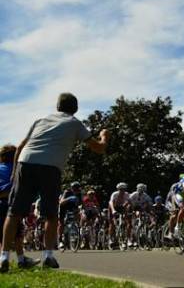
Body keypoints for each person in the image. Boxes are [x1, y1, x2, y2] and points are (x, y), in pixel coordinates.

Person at [2, 93, 108, 270]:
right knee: (51, 214)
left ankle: (3, 258)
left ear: (58, 107)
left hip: (25, 162)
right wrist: (105, 136)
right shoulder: (74, 122)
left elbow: (20, 146)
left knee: (14, 212)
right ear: (75, 109)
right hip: (50, 167)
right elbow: (98, 148)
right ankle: (48, 256)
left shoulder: (40, 120)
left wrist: (14, 173)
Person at [0, 145, 38, 272]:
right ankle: (21, 260)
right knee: (17, 233)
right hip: (12, 203)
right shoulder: (19, 169)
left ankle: (5, 260)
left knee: (4, 234)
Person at [57, 182, 83, 250]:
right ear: (72, 188)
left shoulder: (79, 194)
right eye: (75, 189)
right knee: (61, 223)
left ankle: (77, 228)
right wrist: (70, 198)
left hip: (72, 207)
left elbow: (82, 204)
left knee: (78, 213)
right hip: (63, 206)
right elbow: (61, 202)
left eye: (77, 189)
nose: (76, 190)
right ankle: (60, 240)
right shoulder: (67, 192)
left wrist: (83, 209)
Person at [108, 182, 131, 247]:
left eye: (123, 189)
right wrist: (113, 210)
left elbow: (129, 202)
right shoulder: (115, 194)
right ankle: (110, 239)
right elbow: (111, 202)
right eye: (121, 189)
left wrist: (128, 210)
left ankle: (127, 239)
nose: (122, 191)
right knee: (112, 223)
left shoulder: (126, 194)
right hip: (113, 207)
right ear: (118, 189)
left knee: (127, 221)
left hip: (121, 207)